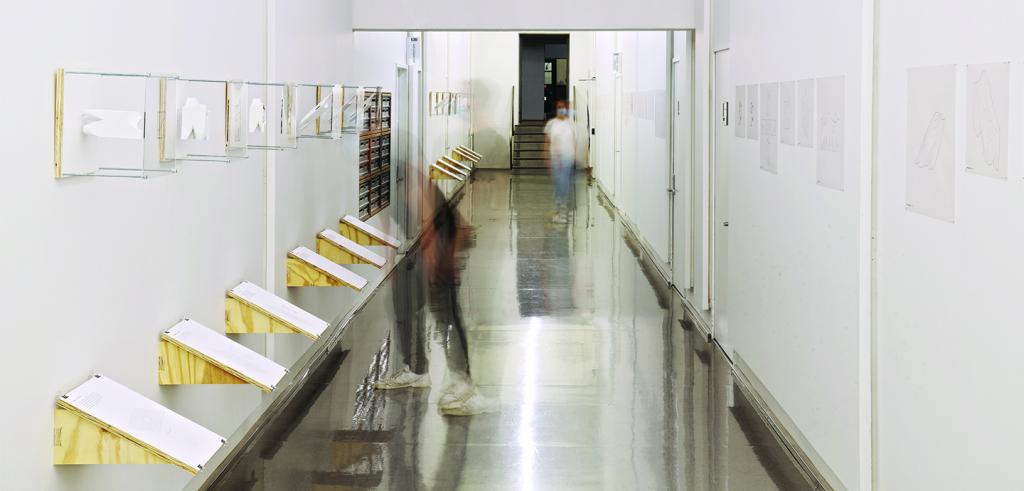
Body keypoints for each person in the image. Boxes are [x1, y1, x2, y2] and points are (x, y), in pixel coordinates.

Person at [375, 181, 494, 416]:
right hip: (430, 249)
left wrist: (434, 259)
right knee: (408, 308)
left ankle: (466, 388)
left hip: (441, 249)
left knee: (446, 316)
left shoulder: (407, 179)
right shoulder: (397, 181)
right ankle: (419, 371)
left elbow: (426, 213)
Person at [545, 100, 576, 223]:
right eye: (559, 107)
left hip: (568, 159)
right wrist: (547, 159)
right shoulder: (551, 124)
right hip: (556, 159)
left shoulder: (570, 124)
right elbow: (546, 143)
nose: (561, 109)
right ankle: (558, 209)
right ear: (556, 109)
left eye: (563, 107)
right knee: (559, 184)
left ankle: (563, 208)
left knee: (565, 184)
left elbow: (574, 141)